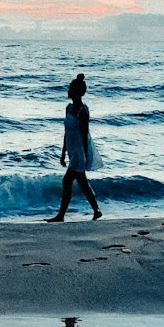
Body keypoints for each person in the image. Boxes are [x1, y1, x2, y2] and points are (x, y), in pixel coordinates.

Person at [46, 72, 102, 221]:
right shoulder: (69, 108)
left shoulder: (83, 110)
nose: (68, 90)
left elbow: (84, 134)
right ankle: (96, 210)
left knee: (67, 181)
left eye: (71, 88)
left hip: (79, 151)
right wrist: (63, 152)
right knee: (82, 182)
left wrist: (85, 154)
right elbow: (67, 131)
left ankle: (61, 215)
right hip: (71, 149)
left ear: (77, 92)